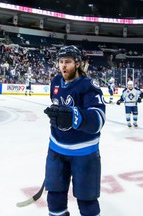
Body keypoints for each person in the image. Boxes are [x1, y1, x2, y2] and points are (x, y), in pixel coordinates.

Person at [43, 45, 106, 216]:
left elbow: (98, 120)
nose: (63, 66)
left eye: (68, 62)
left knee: (87, 203)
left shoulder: (88, 85)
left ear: (77, 63)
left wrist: (73, 116)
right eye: (61, 62)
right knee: (54, 199)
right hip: (56, 148)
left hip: (84, 152)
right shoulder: (56, 82)